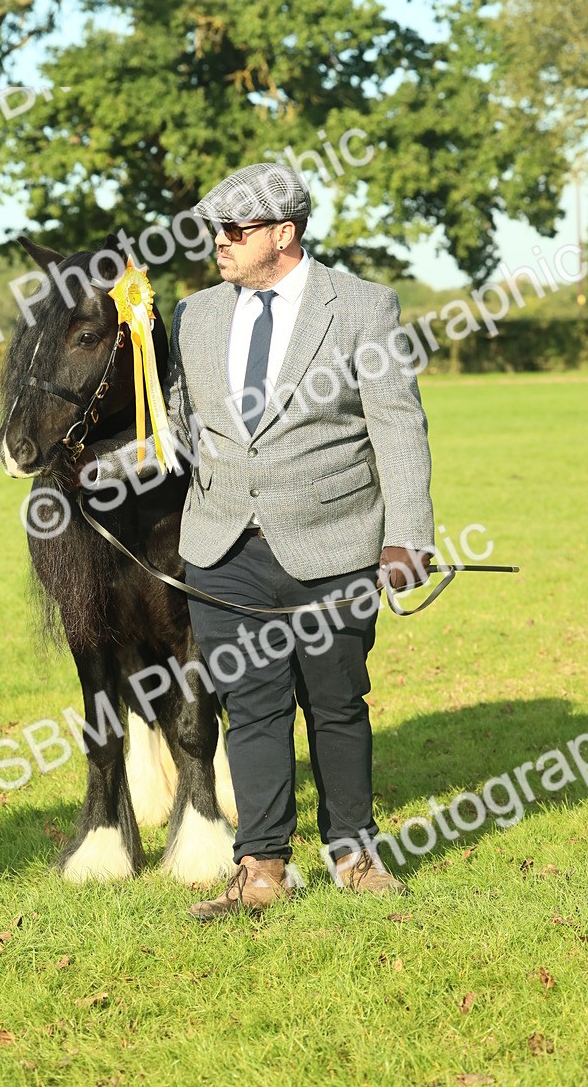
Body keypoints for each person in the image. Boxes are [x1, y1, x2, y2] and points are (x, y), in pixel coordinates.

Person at [81, 163, 434, 919]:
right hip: (221, 552)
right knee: (250, 704)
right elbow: (173, 433)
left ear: (285, 233)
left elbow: (398, 426)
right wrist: (83, 464)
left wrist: (407, 537)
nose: (221, 244)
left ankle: (353, 853)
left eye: (236, 231)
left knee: (337, 704)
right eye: (216, 231)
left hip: (335, 545)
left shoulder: (364, 308)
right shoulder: (198, 314)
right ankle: (262, 866)